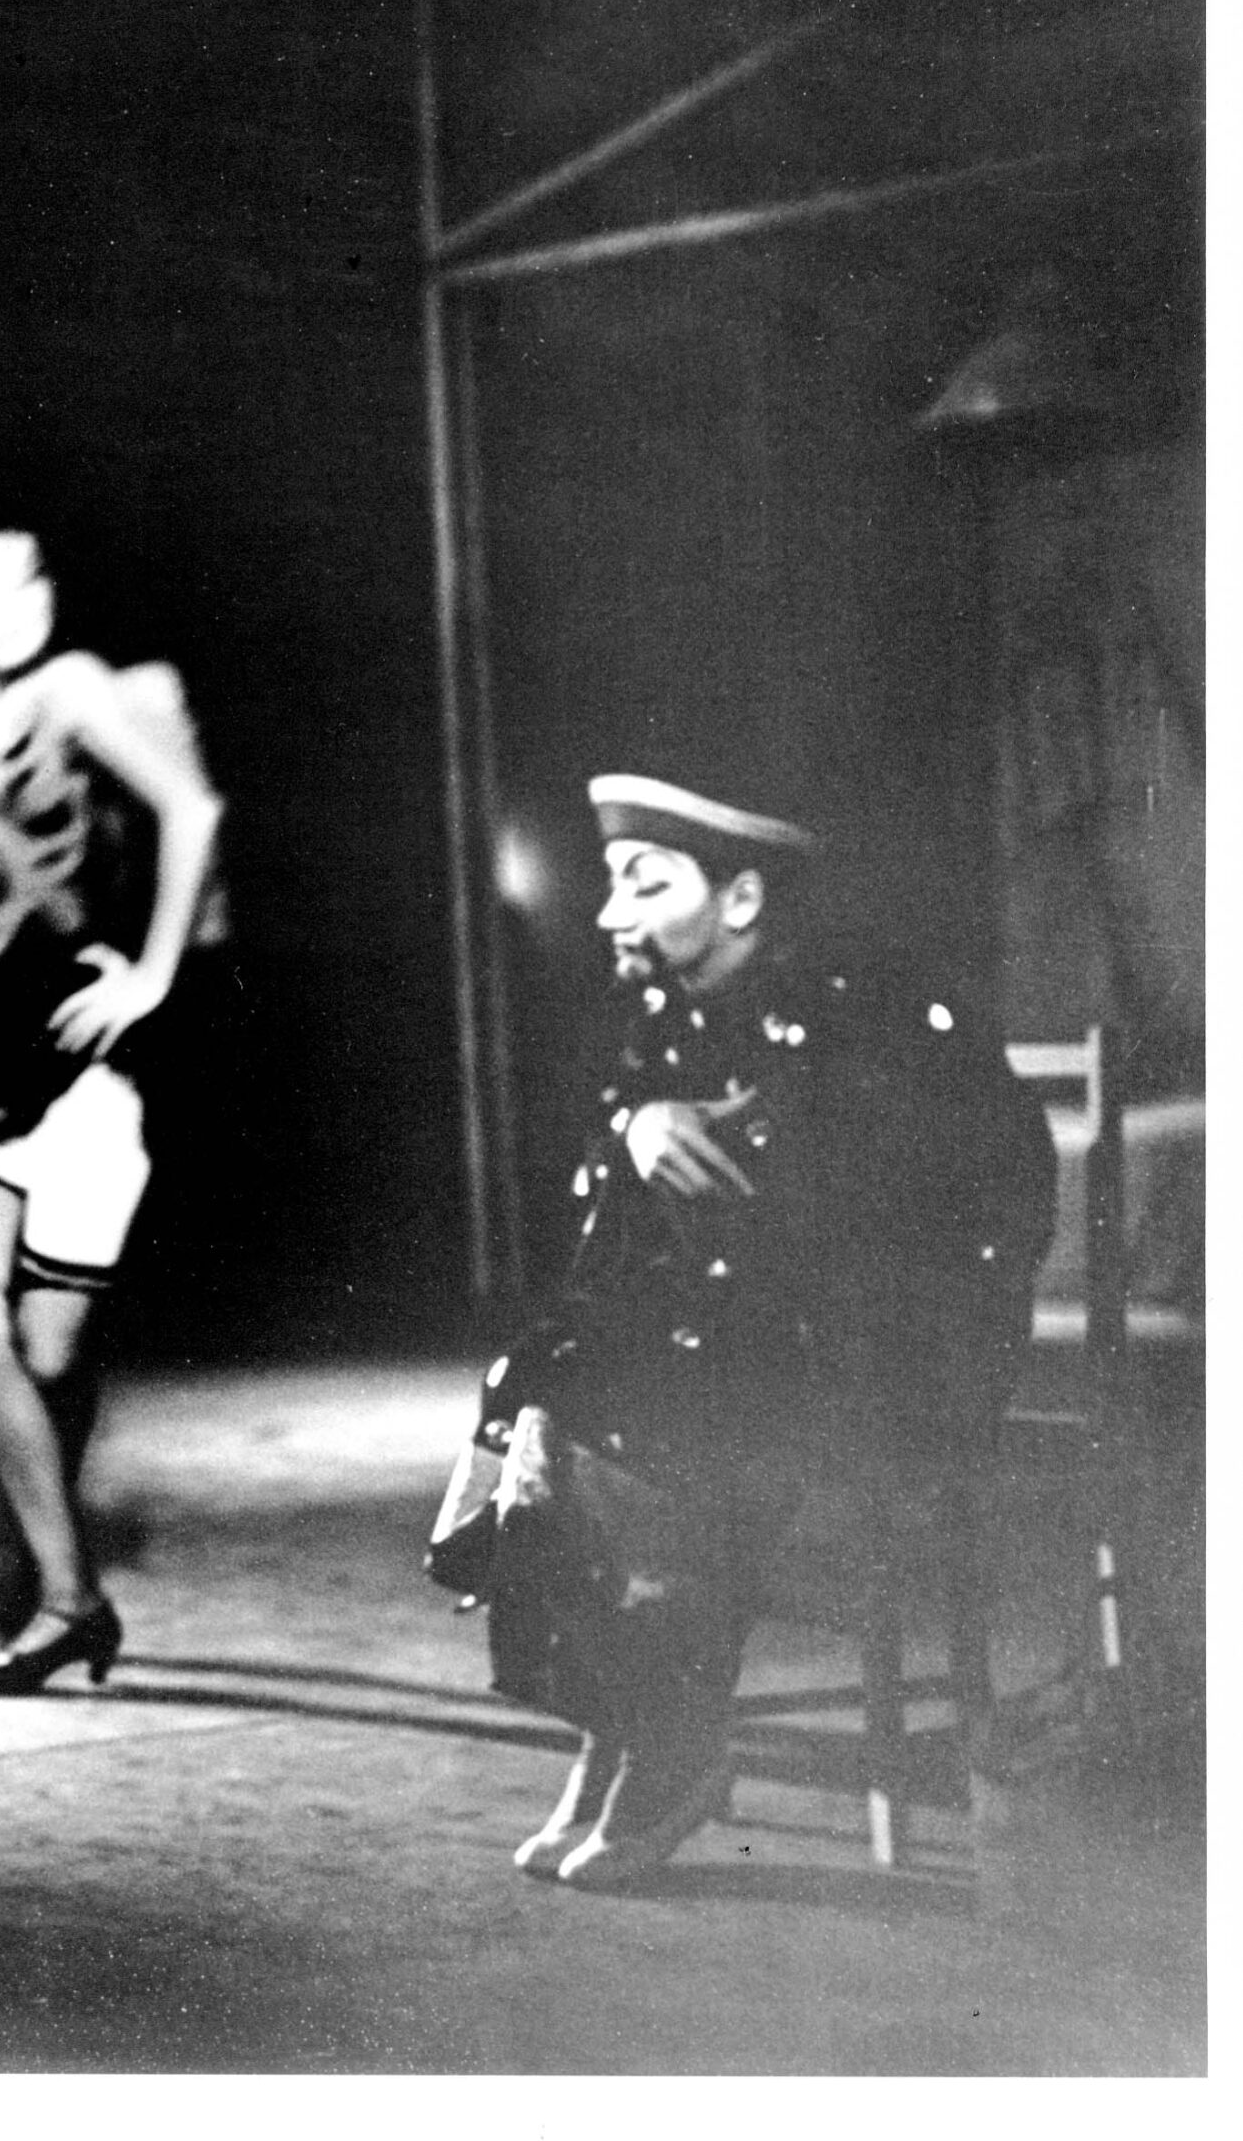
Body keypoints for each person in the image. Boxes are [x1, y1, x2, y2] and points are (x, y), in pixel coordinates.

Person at [426, 770, 1056, 1887]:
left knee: (649, 1402)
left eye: (644, 884)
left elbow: (972, 1187)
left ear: (743, 898)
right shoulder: (669, 1014)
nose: (610, 913)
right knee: (544, 1386)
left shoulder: (861, 1003)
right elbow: (614, 1194)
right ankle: (624, 1723)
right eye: (613, 884)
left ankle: (668, 1741)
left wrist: (773, 1147)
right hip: (744, 1337)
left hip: (881, 1351)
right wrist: (635, 1129)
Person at [0, 529, 225, 1696]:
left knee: (48, 1364)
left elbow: (191, 810)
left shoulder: (78, 684)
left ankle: (48, 1582)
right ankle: (72, 1594)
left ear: (49, 593)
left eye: (18, 585)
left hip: (78, 1065)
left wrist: (153, 975)